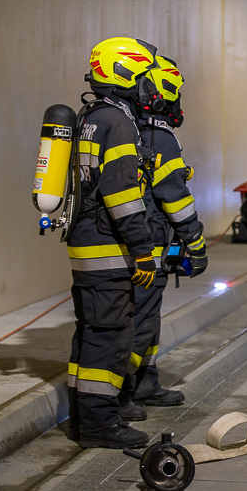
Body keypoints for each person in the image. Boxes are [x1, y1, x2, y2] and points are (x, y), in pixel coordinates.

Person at [66, 37, 160, 449]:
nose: (147, 88)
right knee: (110, 338)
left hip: (85, 245)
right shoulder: (118, 123)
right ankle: (100, 425)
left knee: (89, 334)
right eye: (142, 78)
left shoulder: (90, 116)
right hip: (108, 249)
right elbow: (122, 196)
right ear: (123, 75)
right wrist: (143, 251)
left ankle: (82, 419)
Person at [117, 55, 208, 421]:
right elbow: (175, 198)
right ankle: (121, 392)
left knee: (144, 319)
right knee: (141, 322)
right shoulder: (160, 137)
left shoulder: (125, 128)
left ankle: (144, 383)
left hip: (125, 245)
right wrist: (196, 244)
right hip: (148, 249)